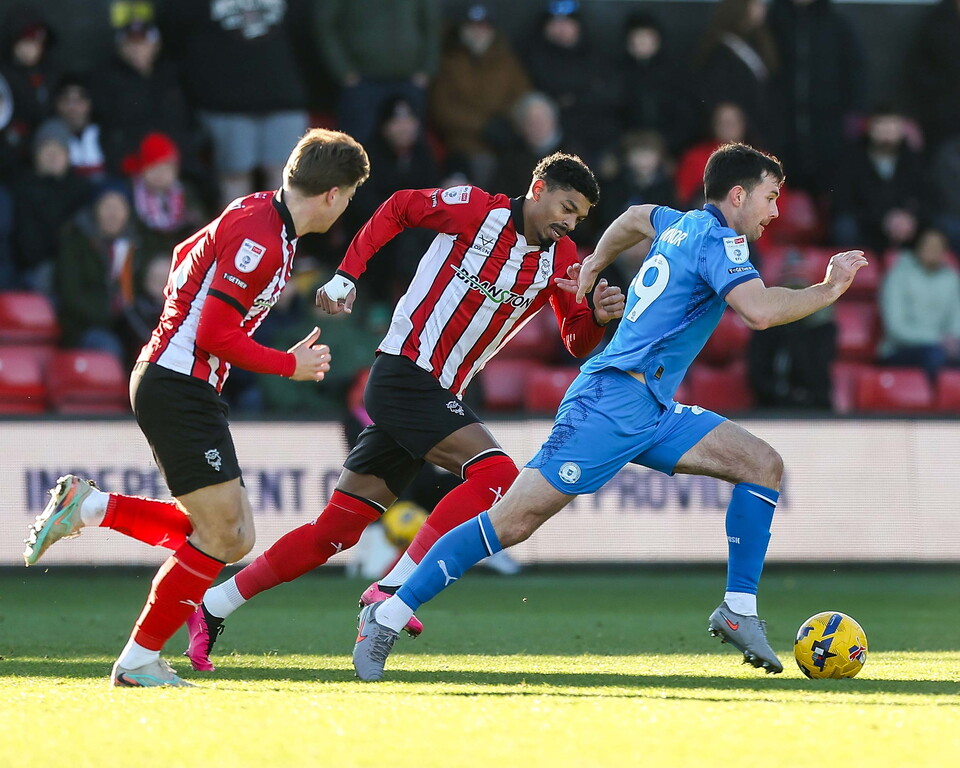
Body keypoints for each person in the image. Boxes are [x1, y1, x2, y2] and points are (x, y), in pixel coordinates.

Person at [352, 142, 868, 681]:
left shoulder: (677, 222)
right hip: (610, 403)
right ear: (737, 195)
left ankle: (738, 609)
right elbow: (758, 312)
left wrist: (595, 260)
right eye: (770, 197)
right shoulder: (720, 240)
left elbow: (633, 217)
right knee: (512, 521)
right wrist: (830, 288)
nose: (775, 211)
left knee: (762, 465)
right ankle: (387, 613)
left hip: (652, 407)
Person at [184, 153, 625, 671]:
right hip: (402, 373)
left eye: (578, 217)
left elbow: (576, 339)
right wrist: (349, 273)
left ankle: (213, 605)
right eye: (566, 207)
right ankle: (392, 588)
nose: (568, 223)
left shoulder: (564, 257)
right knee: (497, 475)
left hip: (436, 390)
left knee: (336, 532)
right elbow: (398, 208)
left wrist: (596, 316)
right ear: (538, 187)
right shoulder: (475, 210)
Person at [22, 128, 370, 687]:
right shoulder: (263, 235)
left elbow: (188, 255)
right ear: (332, 194)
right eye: (350, 195)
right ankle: (135, 657)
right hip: (178, 382)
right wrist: (289, 366)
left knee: (232, 535)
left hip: (180, 380)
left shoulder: (257, 212)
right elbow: (214, 331)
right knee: (223, 533)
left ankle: (92, 512)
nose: (348, 206)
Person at [878, 226, 960, 382]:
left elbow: (957, 319)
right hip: (900, 350)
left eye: (939, 247)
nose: (934, 251)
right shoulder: (897, 276)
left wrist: (952, 339)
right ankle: (935, 404)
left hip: (944, 347)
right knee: (934, 355)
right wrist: (938, 340)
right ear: (917, 248)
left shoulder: (952, 278)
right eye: (929, 246)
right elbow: (896, 328)